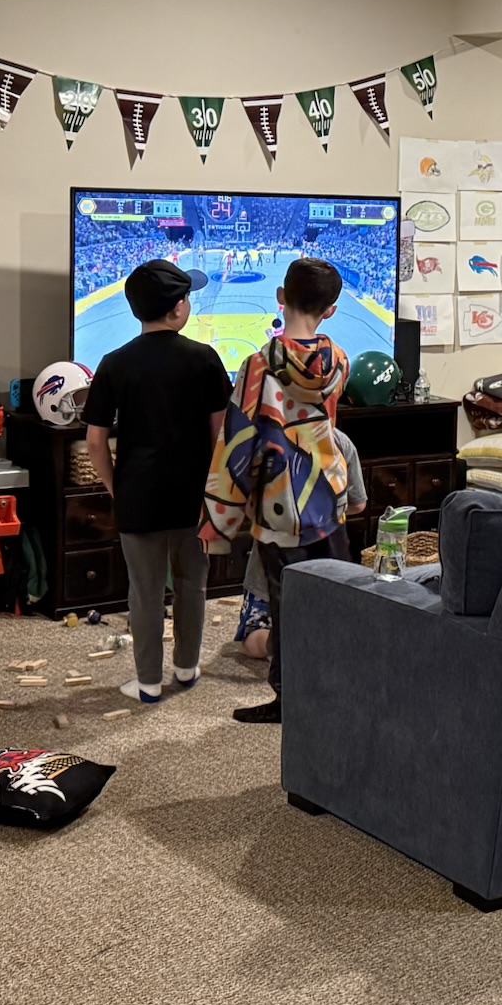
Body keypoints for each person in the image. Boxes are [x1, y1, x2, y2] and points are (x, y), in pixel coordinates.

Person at [200, 257, 367, 724]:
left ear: (280, 297)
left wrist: (220, 519)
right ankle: (338, 690)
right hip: (327, 494)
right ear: (330, 310)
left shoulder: (257, 365)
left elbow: (237, 443)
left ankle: (290, 700)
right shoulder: (339, 360)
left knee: (286, 606)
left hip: (281, 503)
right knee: (334, 596)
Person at [81, 259, 231, 704]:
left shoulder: (113, 363)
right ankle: (186, 668)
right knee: (193, 585)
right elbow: (220, 434)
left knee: (144, 593)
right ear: (178, 308)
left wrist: (116, 488)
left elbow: (94, 442)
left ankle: (148, 681)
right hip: (194, 496)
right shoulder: (204, 358)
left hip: (139, 494)